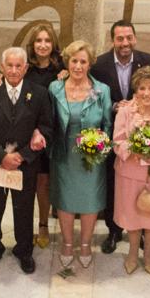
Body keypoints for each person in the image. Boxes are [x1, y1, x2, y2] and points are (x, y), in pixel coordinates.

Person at [0, 47, 53, 275]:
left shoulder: (38, 93)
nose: (14, 70)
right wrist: (2, 156)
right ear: (2, 66)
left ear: (26, 68)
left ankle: (24, 250)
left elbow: (46, 128)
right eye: (10, 65)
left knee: (24, 209)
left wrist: (24, 155)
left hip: (25, 163)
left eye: (19, 66)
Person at [90, 20, 150, 254]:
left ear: (135, 38)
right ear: (113, 41)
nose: (125, 43)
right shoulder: (99, 64)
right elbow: (94, 97)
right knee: (114, 185)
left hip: (144, 135)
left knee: (142, 188)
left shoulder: (149, 60)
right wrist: (113, 107)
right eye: (120, 38)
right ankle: (113, 230)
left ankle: (139, 230)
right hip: (114, 133)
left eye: (129, 37)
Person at [48, 40, 113, 270]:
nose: (78, 66)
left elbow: (107, 125)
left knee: (89, 201)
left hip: (91, 158)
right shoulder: (54, 88)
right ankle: (67, 243)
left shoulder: (102, 90)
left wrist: (100, 150)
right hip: (63, 155)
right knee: (65, 200)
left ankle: (85, 244)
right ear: (68, 62)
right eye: (74, 60)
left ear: (90, 64)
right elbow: (49, 122)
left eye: (83, 61)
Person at [112, 66, 150, 276]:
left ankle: (149, 254)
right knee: (133, 215)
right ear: (135, 90)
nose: (146, 93)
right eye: (142, 88)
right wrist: (136, 149)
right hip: (129, 173)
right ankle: (131, 254)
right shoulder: (125, 111)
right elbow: (117, 141)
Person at [24, 21, 64, 249]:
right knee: (27, 183)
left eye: (47, 40)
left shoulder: (61, 70)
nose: (43, 44)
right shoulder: (25, 69)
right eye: (38, 40)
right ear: (32, 44)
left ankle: (43, 225)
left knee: (44, 183)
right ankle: (24, 226)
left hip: (51, 132)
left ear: (53, 44)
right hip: (27, 133)